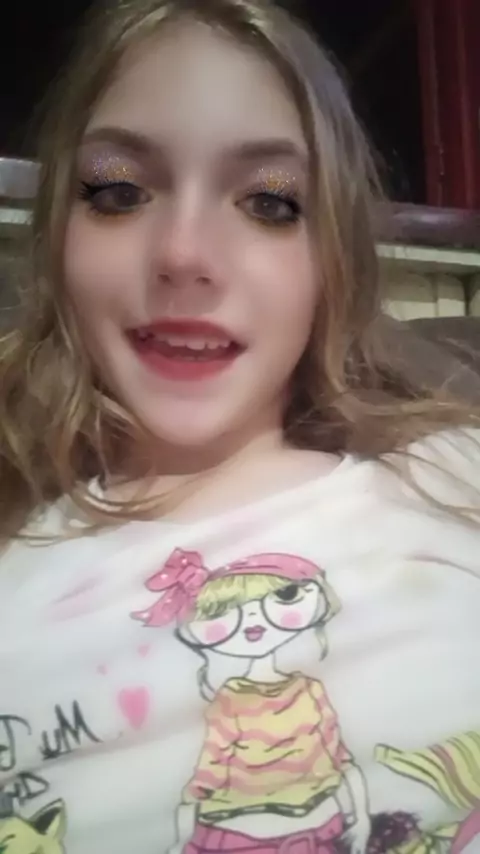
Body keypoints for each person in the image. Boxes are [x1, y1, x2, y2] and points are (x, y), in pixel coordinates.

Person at [0, 0, 478, 852]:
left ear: (333, 260)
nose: (184, 253)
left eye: (269, 202)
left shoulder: (457, 477)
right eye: (118, 192)